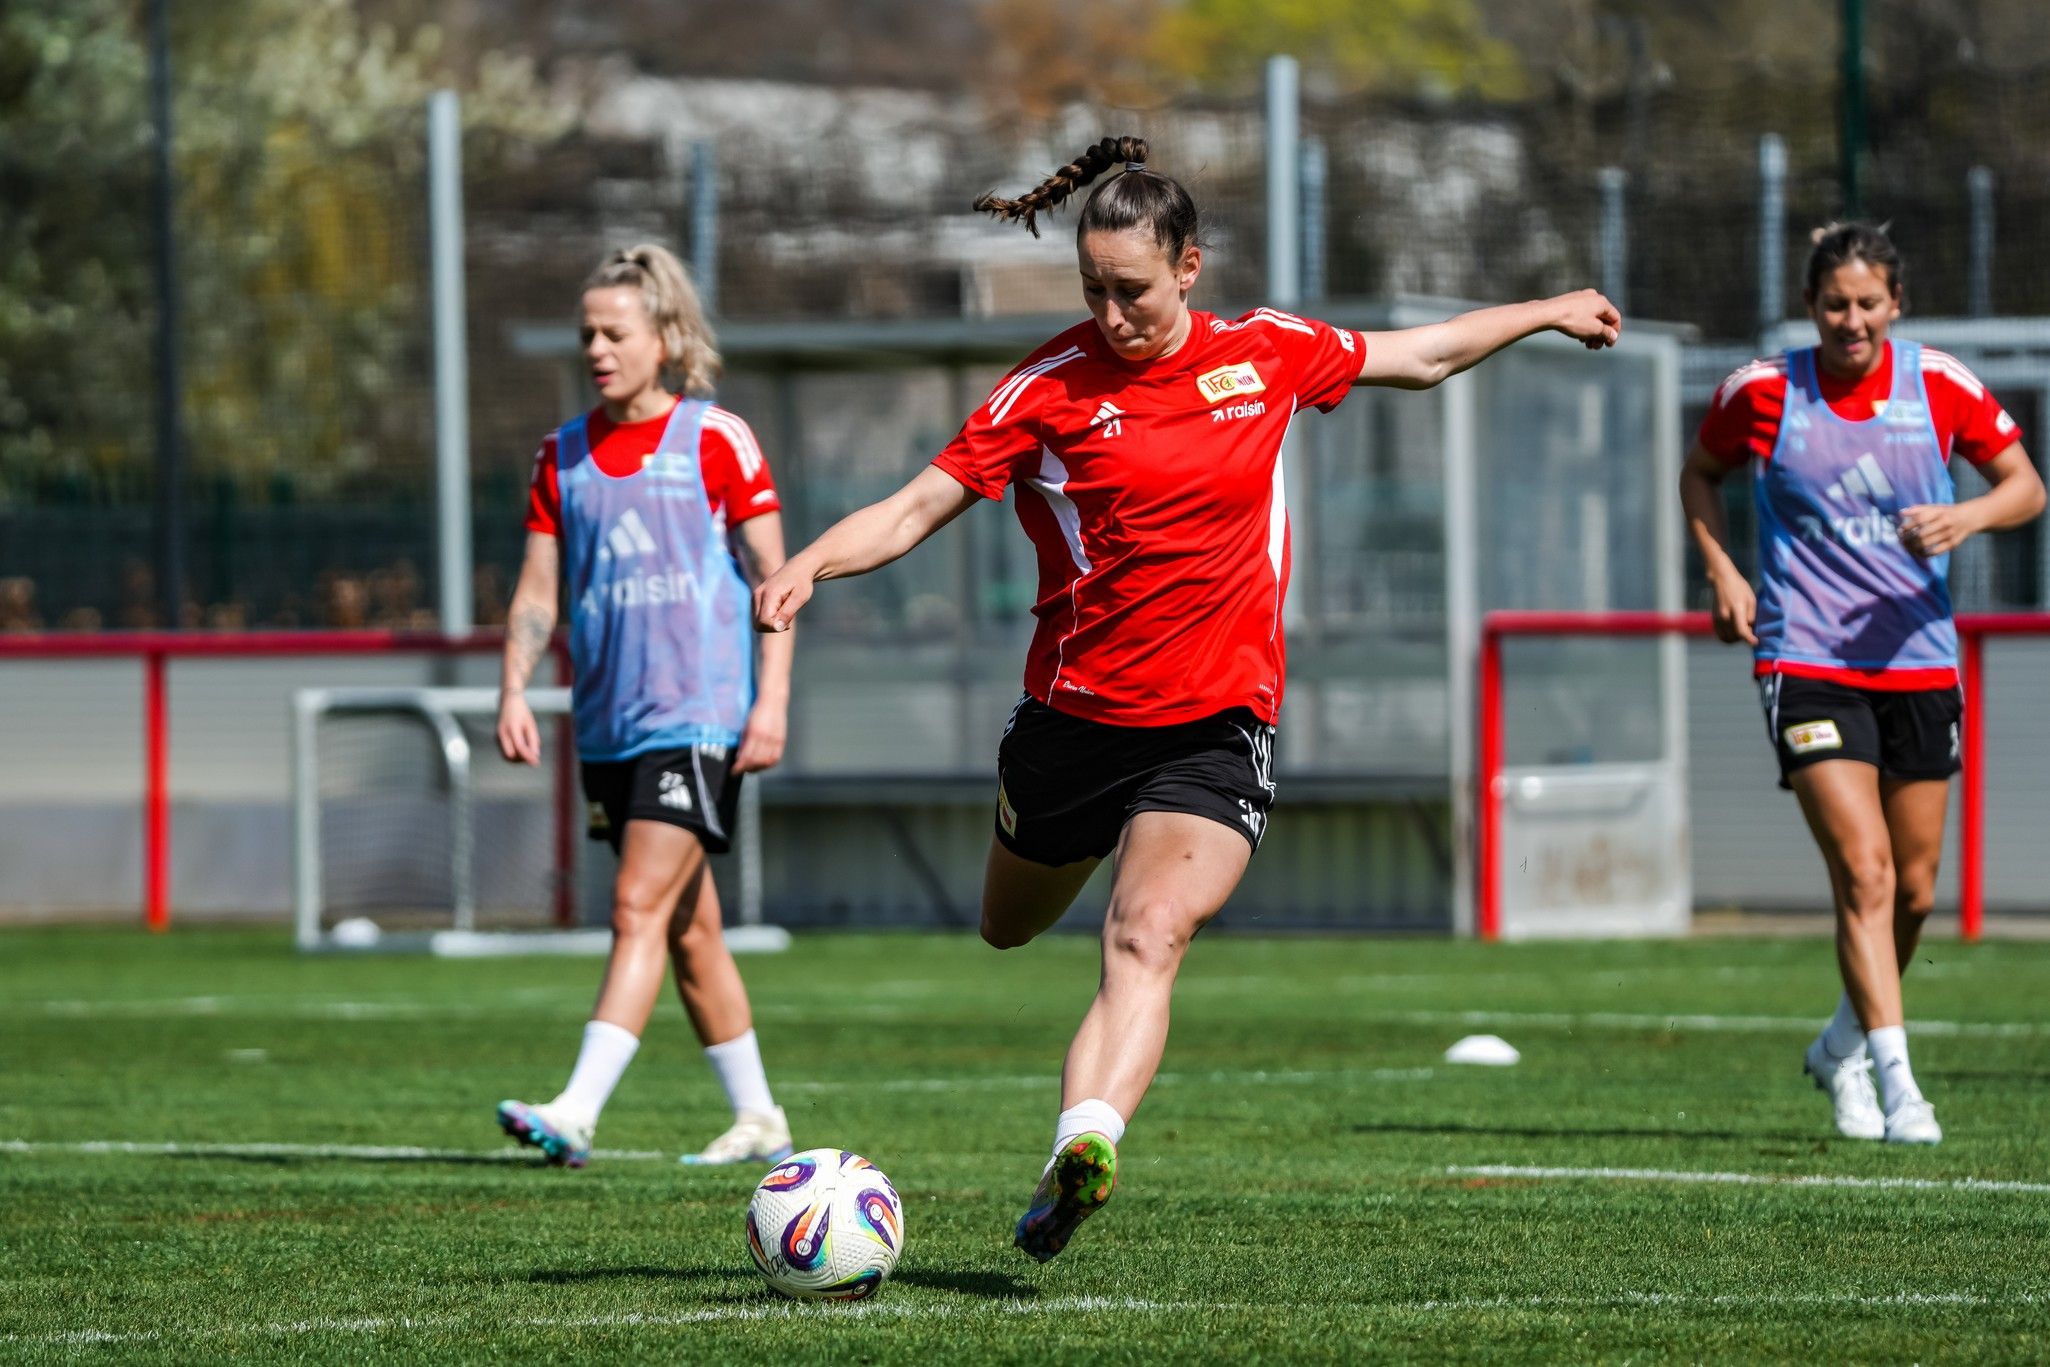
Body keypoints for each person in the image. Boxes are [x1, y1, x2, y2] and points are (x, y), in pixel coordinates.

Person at [752, 136, 1620, 1260]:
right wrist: (811, 562)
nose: (1112, 313)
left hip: (1215, 721)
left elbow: (1423, 355)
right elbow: (918, 505)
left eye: (1134, 290)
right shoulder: (1046, 390)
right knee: (1006, 926)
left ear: (1189, 266)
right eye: (1092, 290)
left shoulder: (1266, 353)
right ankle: (1078, 1102)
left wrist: (1546, 309)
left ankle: (1082, 1144)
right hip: (1072, 723)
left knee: (1147, 931)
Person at [1681, 222, 2044, 1146]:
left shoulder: (1939, 385)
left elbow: (2025, 486)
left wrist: (1967, 517)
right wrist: (1724, 572)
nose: (1852, 321)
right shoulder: (1763, 392)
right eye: (1835, 304)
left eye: (1868, 303)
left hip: (1918, 659)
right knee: (1865, 870)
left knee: (1912, 891)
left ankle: (1840, 1044)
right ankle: (1900, 1086)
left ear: (1896, 304)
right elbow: (1702, 473)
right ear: (1810, 306)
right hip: (1805, 660)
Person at [494, 243, 797, 1168]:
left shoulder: (715, 438)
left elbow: (777, 582)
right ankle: (760, 1116)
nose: (596, 348)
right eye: (586, 333)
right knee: (687, 927)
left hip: (697, 717)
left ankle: (576, 1111)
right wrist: (514, 687)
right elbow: (537, 589)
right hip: (609, 726)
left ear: (665, 337)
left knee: (635, 905)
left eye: (614, 332)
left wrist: (772, 702)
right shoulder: (561, 455)